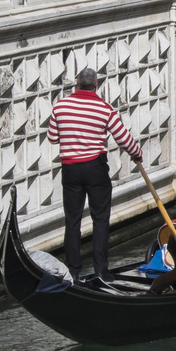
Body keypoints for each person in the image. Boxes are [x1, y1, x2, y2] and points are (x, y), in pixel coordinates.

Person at [47, 66, 143, 279]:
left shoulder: (60, 106)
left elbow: (53, 137)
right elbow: (123, 137)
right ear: (96, 85)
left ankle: (72, 271)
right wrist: (137, 154)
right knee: (100, 219)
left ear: (77, 83)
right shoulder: (104, 108)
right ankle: (101, 270)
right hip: (95, 168)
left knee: (72, 220)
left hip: (70, 169)